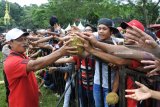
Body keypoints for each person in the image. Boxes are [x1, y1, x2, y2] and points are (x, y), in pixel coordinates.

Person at [3, 28, 77, 107]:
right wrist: (62, 51)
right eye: (20, 40)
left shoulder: (21, 55)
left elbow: (31, 71)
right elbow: (35, 65)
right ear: (10, 43)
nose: (24, 42)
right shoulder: (12, 61)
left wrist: (35, 89)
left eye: (25, 39)